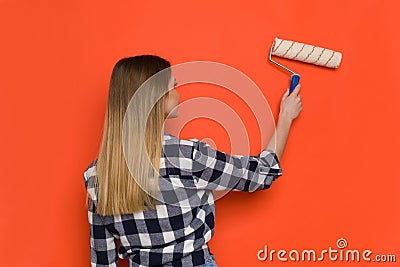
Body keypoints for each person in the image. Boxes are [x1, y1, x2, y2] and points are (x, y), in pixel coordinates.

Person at [83, 55, 302, 267]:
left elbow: (103, 261)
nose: (178, 95)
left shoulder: (98, 177)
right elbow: (261, 174)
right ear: (158, 96)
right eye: (174, 87)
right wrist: (285, 118)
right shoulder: (188, 157)